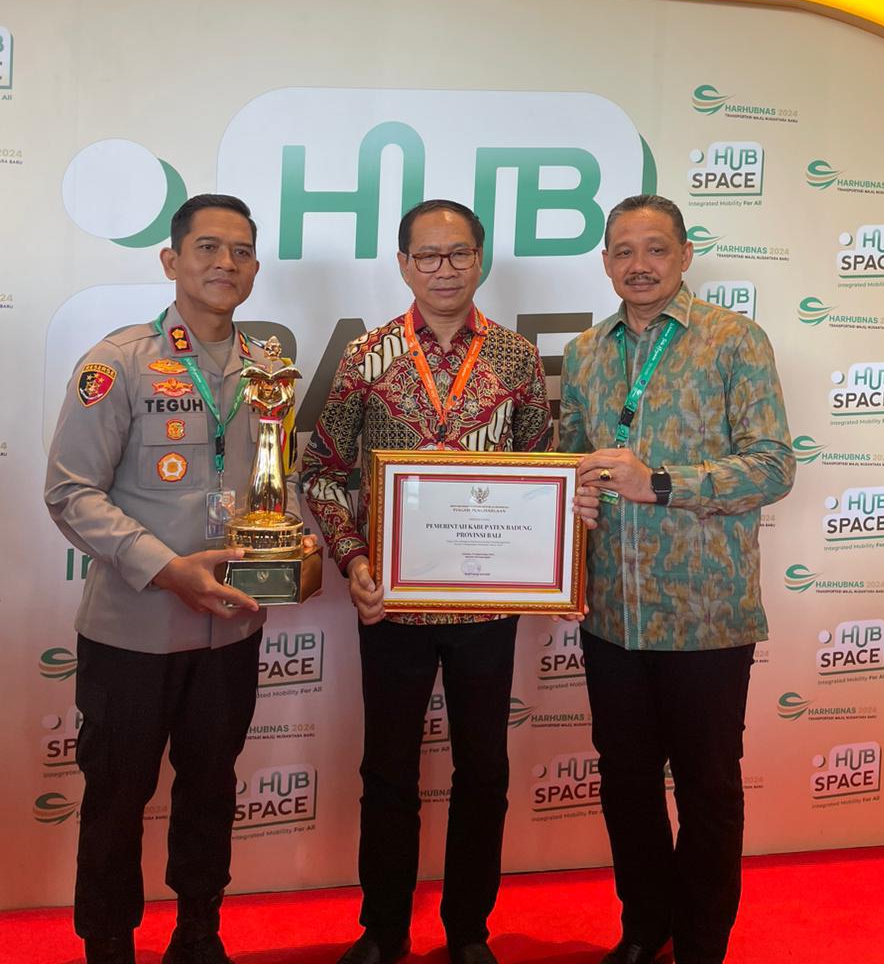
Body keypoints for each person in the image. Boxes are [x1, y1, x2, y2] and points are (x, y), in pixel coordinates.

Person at [300, 199, 552, 964]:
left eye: (459, 253)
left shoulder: (516, 358)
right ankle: (383, 931)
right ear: (404, 264)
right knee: (387, 774)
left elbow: (542, 477)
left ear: (481, 258)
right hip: (392, 607)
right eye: (428, 256)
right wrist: (355, 561)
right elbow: (321, 472)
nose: (445, 269)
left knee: (485, 772)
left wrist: (545, 564)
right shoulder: (366, 356)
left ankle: (469, 932)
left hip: (487, 609)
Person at [45, 194, 286, 964]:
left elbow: (271, 489)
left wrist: (292, 559)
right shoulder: (116, 362)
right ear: (171, 260)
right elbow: (70, 492)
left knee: (211, 791)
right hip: (134, 633)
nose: (225, 263)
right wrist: (167, 568)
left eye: (241, 251)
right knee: (117, 799)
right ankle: (108, 944)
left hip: (231, 630)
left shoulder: (268, 368)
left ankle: (198, 933)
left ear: (255, 267)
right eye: (208, 247)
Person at [560, 194, 795, 964]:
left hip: (706, 617)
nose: (640, 265)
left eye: (656, 248)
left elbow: (773, 466)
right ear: (604, 261)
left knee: (708, 789)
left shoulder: (735, 340)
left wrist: (658, 483)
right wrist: (574, 509)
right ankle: (644, 927)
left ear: (685, 255)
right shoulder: (585, 353)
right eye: (624, 250)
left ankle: (700, 944)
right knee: (626, 784)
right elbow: (568, 466)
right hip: (612, 616)